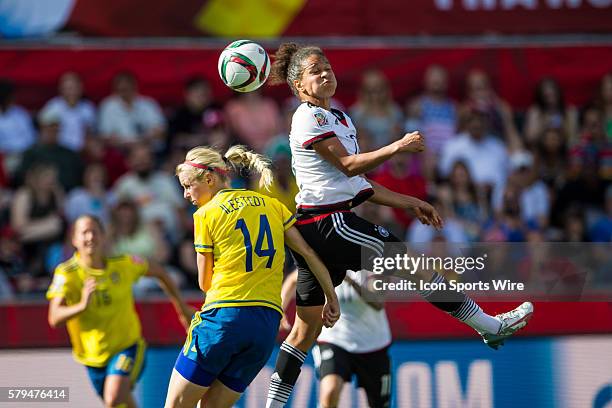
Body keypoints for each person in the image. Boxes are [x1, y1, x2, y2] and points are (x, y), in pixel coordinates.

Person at [265, 43, 534, 408]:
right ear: (299, 86)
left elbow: (359, 184)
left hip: (322, 227)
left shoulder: (341, 119)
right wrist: (399, 146)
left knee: (303, 331)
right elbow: (349, 166)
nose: (325, 72)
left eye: (327, 65)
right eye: (315, 70)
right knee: (413, 265)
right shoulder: (307, 117)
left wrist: (411, 202)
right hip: (330, 223)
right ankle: (489, 326)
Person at [164, 145, 339, 408]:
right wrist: (330, 295)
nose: (187, 194)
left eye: (188, 186)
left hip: (224, 318)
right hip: (265, 327)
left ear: (209, 179)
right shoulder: (273, 205)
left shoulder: (206, 214)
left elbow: (204, 283)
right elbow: (307, 253)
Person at [46, 215, 194, 408]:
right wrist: (81, 305)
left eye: (95, 231)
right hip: (92, 357)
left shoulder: (123, 264)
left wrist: (181, 308)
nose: (90, 237)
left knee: (113, 397)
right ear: (74, 239)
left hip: (128, 347)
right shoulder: (66, 273)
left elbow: (159, 271)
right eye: (84, 232)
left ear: (104, 235)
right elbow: (54, 317)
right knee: (118, 403)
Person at [282, 269, 392, 408]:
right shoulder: (328, 257)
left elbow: (378, 301)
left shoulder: (374, 261)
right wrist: (280, 308)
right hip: (335, 338)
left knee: (380, 404)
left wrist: (350, 281)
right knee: (330, 391)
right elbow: (293, 279)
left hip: (374, 343)